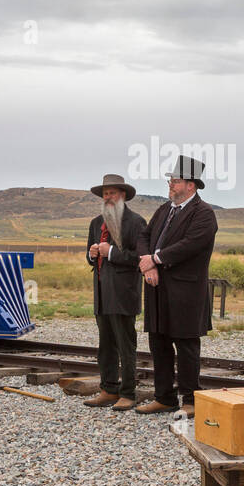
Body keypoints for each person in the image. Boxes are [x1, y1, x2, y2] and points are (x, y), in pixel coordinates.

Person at [135, 155, 218, 418]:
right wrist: (148, 265)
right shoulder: (164, 210)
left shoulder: (203, 213)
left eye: (176, 180)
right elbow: (144, 237)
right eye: (170, 180)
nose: (171, 184)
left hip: (186, 292)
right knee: (158, 343)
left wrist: (156, 259)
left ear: (191, 185)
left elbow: (191, 244)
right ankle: (164, 397)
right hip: (158, 289)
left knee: (186, 346)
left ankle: (191, 400)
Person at [83, 173, 150, 410]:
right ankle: (108, 389)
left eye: (112, 193)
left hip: (123, 294)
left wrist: (109, 251)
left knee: (125, 346)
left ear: (123, 195)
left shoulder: (136, 222)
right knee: (105, 347)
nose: (108, 197)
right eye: (105, 194)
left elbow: (139, 258)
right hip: (101, 295)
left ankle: (128, 393)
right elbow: (92, 257)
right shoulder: (95, 223)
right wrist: (92, 255)